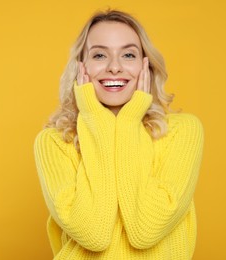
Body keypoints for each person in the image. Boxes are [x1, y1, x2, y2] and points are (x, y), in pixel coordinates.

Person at [34, 9, 204, 259]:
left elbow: (145, 230)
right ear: (82, 67)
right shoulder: (55, 142)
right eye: (100, 55)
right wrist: (93, 118)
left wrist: (129, 120)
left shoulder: (182, 132)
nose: (114, 67)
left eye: (128, 54)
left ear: (145, 65)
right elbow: (94, 234)